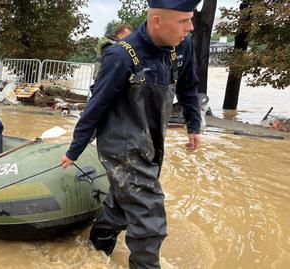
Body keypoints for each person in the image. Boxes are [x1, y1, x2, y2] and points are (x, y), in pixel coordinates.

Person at [60, 0, 203, 268]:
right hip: (121, 147)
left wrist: (193, 125)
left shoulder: (181, 46)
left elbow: (189, 86)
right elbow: (96, 105)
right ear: (157, 21)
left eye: (190, 19)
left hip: (152, 141)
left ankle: (94, 251)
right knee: (150, 219)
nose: (191, 27)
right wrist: (75, 149)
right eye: (184, 21)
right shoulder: (121, 55)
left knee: (121, 207)